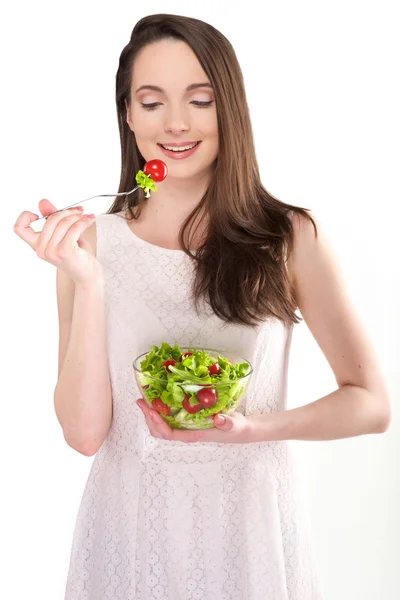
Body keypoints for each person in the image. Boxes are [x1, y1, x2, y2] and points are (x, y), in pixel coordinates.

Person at [13, 13, 391, 600]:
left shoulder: (288, 237)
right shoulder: (89, 243)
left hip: (253, 524)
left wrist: (252, 430)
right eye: (152, 101)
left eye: (200, 99)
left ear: (229, 109)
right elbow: (85, 435)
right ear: (128, 115)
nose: (178, 122)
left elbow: (370, 405)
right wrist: (89, 284)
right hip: (130, 525)